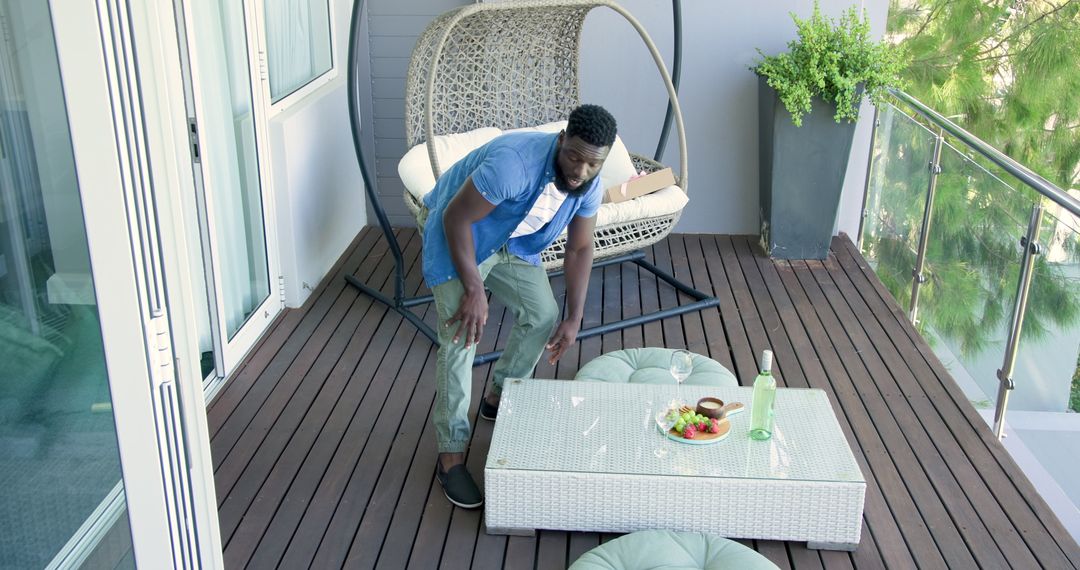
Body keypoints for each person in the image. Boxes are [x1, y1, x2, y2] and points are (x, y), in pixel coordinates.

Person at [420, 104, 617, 508]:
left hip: (511, 240)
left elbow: (580, 247)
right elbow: (455, 218)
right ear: (561, 140)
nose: (580, 170)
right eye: (574, 157)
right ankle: (451, 454)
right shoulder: (514, 164)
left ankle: (499, 395)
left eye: (592, 164)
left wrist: (574, 317)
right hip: (459, 232)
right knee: (462, 335)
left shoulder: (589, 183)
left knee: (542, 315)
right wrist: (474, 288)